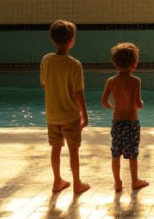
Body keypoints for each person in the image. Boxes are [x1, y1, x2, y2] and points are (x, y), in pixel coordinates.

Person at [40, 19, 91, 194]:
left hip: (52, 115)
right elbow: (79, 93)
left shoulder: (46, 60)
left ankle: (57, 181)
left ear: (52, 40)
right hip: (70, 116)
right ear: (72, 40)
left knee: (55, 148)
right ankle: (77, 183)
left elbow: (44, 84)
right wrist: (85, 114)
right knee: (73, 150)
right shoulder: (74, 65)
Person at [101, 42, 149, 192]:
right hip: (132, 123)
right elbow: (137, 104)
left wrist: (113, 107)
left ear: (115, 64)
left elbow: (104, 102)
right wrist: (142, 103)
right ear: (134, 64)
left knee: (116, 153)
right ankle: (135, 181)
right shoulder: (136, 81)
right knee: (132, 153)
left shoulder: (111, 81)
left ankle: (117, 182)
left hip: (117, 122)